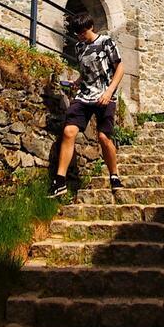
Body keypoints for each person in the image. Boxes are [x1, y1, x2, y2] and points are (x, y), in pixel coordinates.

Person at [49, 11, 124, 198]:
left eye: (83, 32)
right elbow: (86, 71)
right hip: (84, 95)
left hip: (105, 95)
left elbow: (120, 69)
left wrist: (109, 92)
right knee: (69, 131)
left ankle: (114, 175)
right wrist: (76, 82)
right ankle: (60, 181)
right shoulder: (79, 47)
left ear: (91, 27)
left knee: (103, 138)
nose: (80, 36)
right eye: (77, 33)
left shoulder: (106, 42)